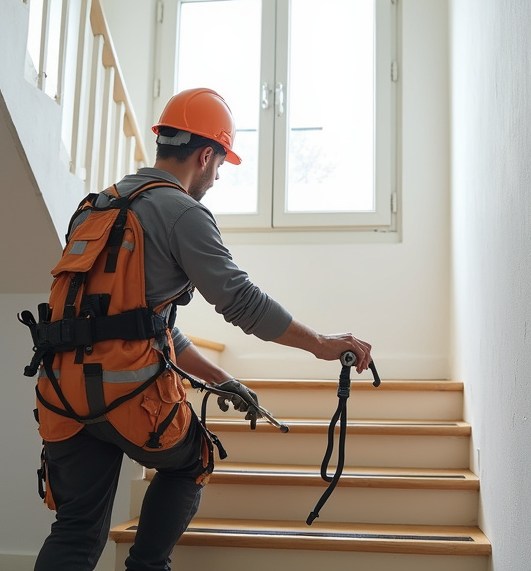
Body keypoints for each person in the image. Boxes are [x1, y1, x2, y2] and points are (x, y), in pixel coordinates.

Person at [31, 87, 373, 571]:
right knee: (194, 459)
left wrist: (223, 380)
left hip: (62, 392)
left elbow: (143, 326)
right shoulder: (182, 212)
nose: (215, 178)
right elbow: (242, 302)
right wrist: (319, 344)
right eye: (218, 166)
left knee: (76, 530)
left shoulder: (96, 207)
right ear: (205, 153)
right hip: (123, 394)